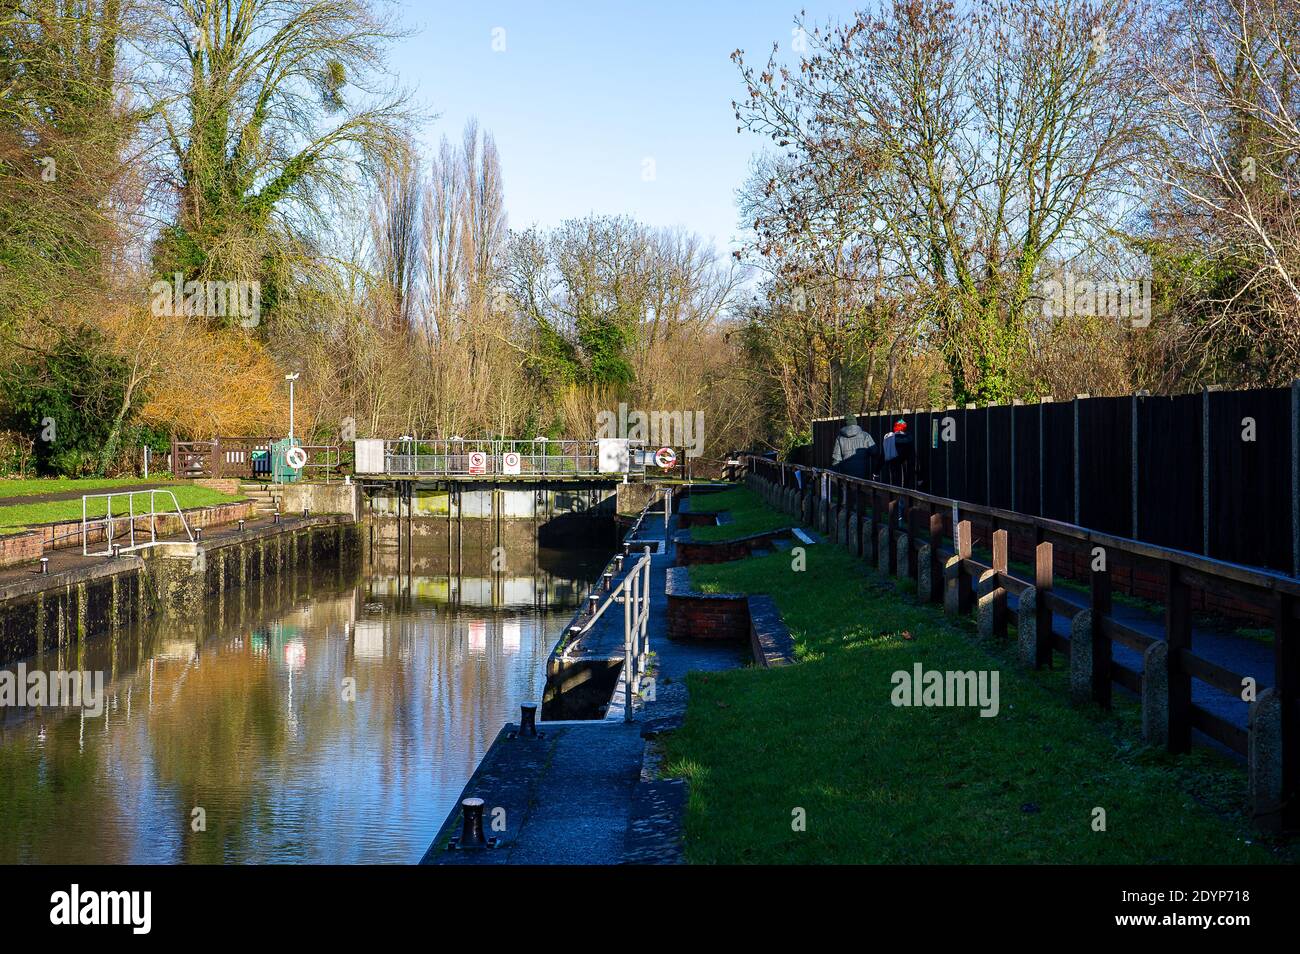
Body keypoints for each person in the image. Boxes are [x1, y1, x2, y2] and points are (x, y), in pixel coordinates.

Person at [830, 413, 876, 478]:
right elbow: (874, 453)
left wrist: (834, 476)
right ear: (856, 422)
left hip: (846, 474)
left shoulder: (840, 438)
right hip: (864, 473)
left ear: (845, 423)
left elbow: (836, 460)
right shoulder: (866, 436)